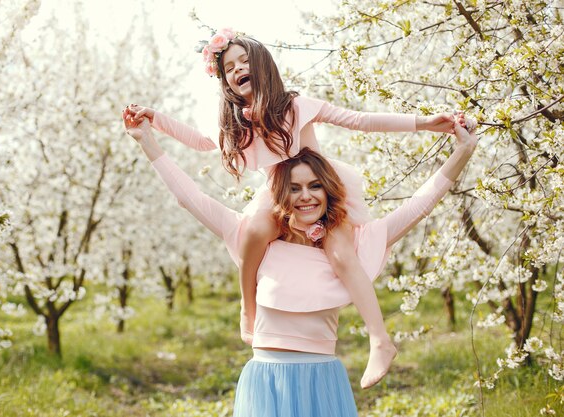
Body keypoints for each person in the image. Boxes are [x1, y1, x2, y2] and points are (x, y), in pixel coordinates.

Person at [125, 28, 469, 388]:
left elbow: (360, 121)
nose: (239, 68)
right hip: (280, 196)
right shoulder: (237, 123)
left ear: (263, 67)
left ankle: (380, 339)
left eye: (245, 61)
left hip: (323, 191)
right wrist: (156, 120)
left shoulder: (295, 105)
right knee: (255, 232)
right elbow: (200, 142)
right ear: (224, 81)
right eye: (229, 67)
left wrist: (424, 124)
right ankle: (247, 306)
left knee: (340, 254)